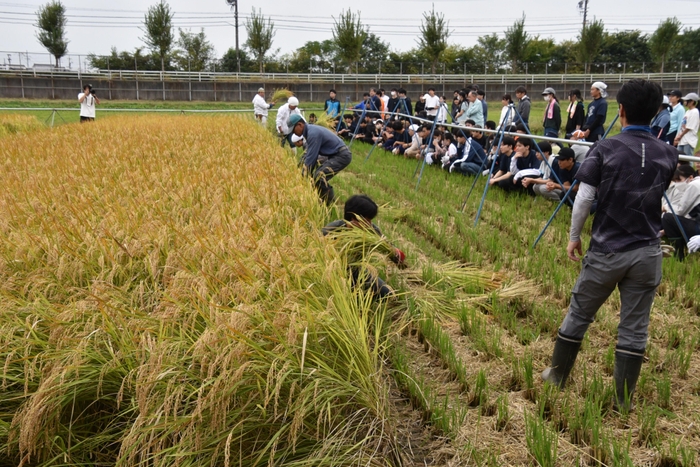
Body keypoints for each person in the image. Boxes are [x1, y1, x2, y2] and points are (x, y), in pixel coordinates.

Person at [541, 79, 678, 414]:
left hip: (607, 249)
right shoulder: (669, 153)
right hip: (647, 252)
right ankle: (622, 400)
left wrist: (575, 236)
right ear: (657, 111)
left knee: (579, 314)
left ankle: (557, 377)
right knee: (635, 328)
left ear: (622, 111)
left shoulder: (605, 148)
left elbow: (585, 197)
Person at [322, 194, 406, 299]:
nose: (370, 224)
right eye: (368, 219)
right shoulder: (332, 230)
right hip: (331, 272)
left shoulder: (372, 231)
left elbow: (397, 256)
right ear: (354, 218)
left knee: (388, 294)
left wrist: (394, 252)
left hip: (357, 271)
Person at [288, 114, 352, 205]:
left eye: (293, 130)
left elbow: (311, 158)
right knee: (318, 176)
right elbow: (307, 155)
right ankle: (321, 200)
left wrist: (303, 176)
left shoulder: (313, 133)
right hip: (335, 155)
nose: (294, 133)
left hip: (341, 155)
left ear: (299, 125)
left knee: (319, 176)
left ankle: (327, 205)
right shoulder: (310, 131)